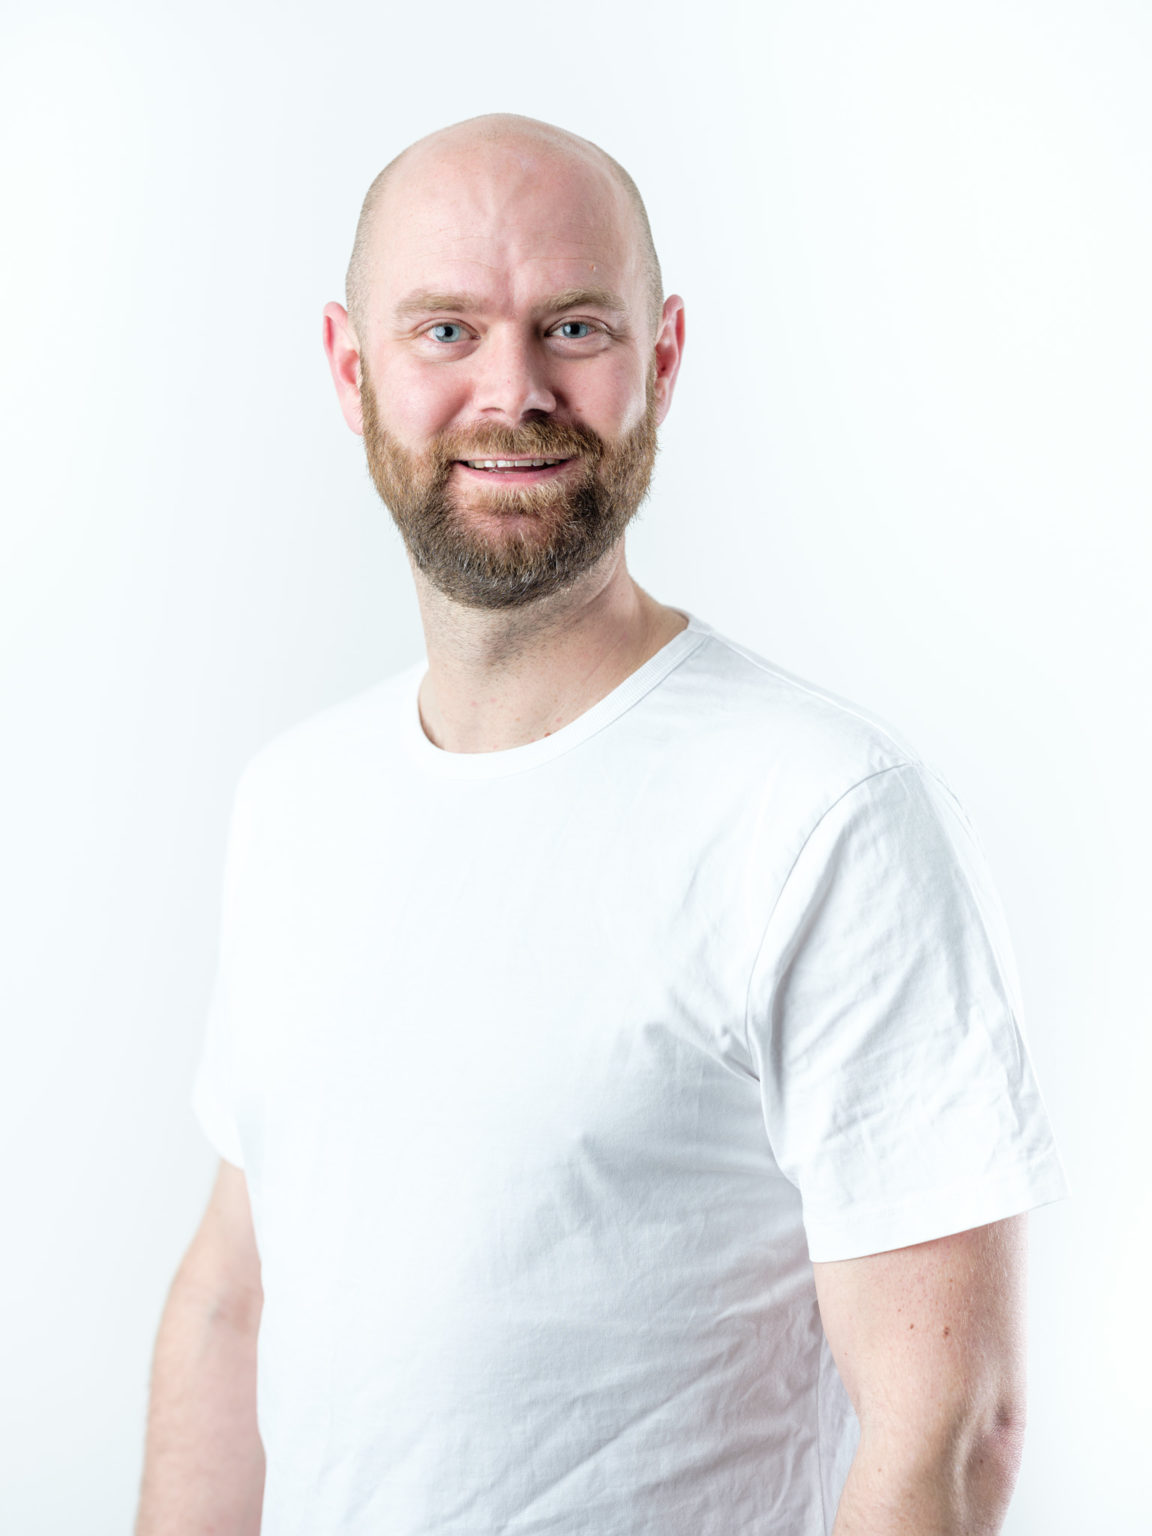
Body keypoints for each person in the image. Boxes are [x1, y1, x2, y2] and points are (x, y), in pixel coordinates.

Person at [135, 113, 1069, 1535]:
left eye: (573, 326)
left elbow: (950, 1429)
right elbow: (232, 1303)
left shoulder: (823, 817)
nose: (513, 391)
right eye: (446, 330)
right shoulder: (295, 800)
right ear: (350, 366)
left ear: (664, 358)